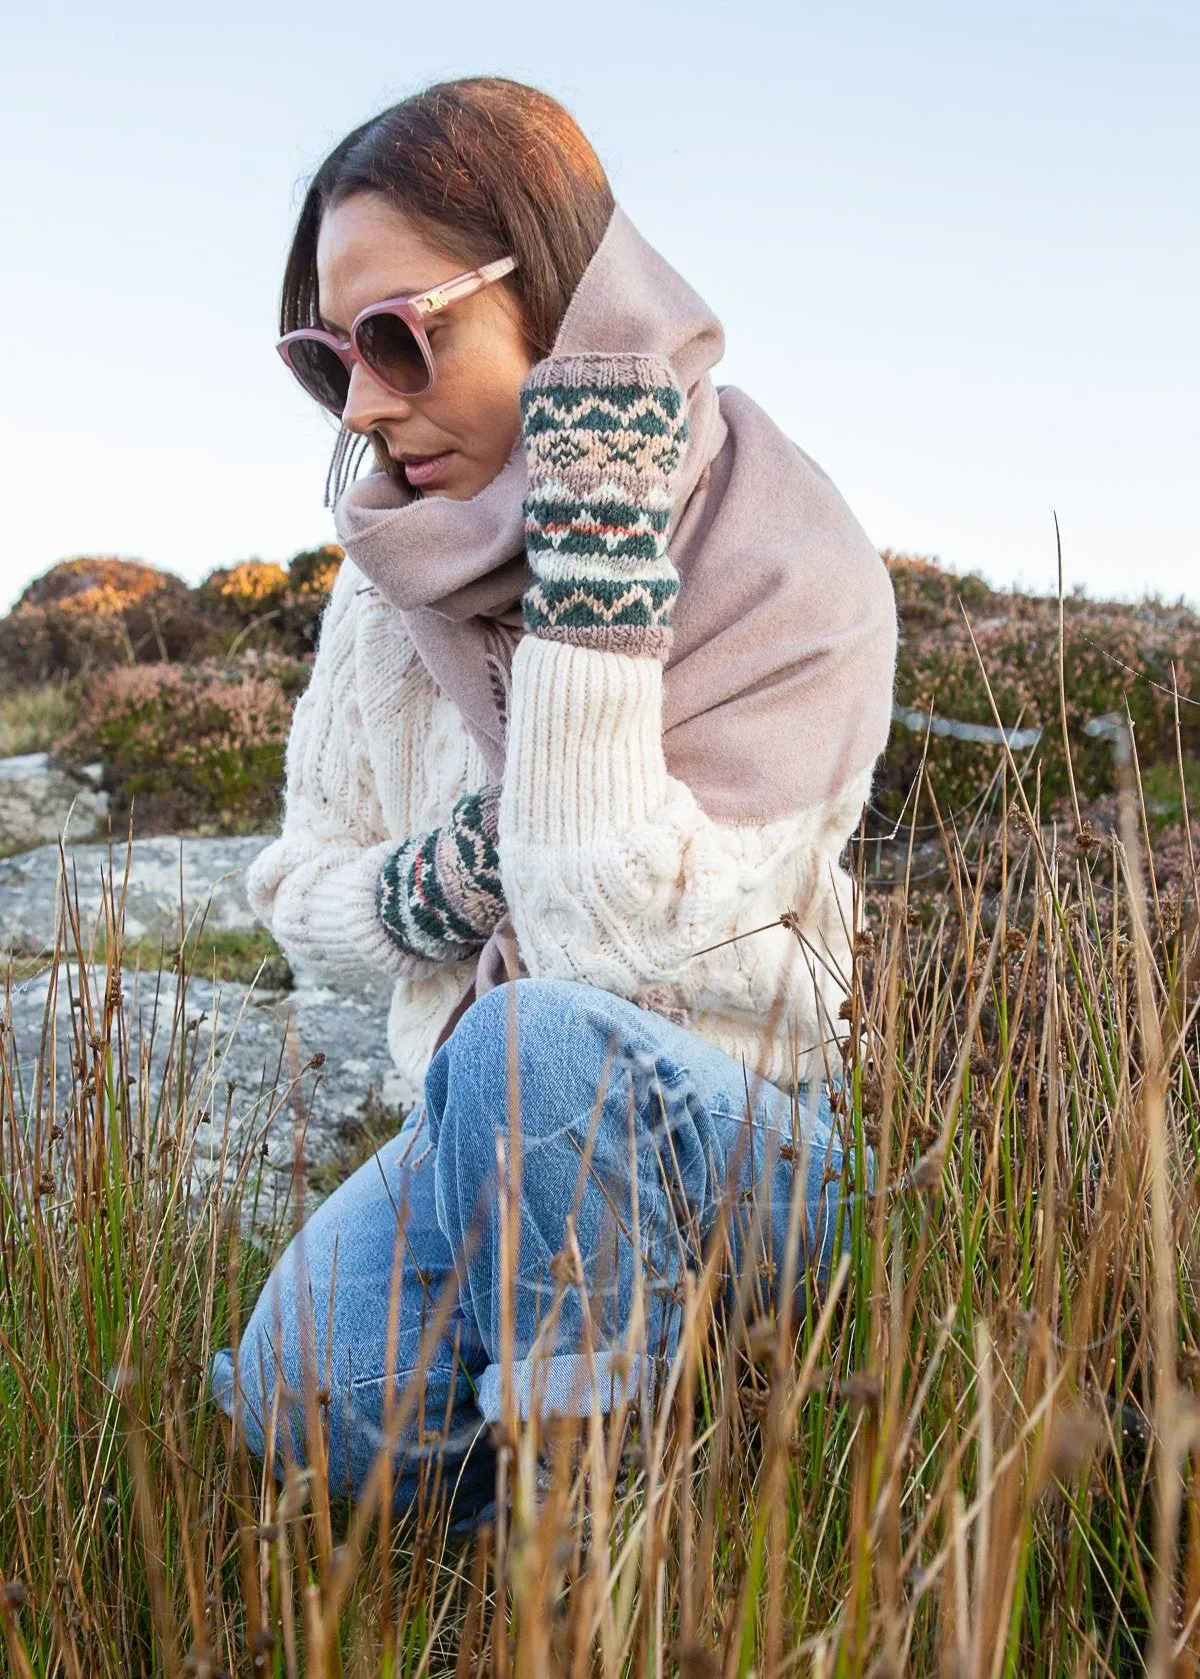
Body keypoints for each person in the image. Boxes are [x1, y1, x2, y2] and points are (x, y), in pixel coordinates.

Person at [210, 75, 897, 1524]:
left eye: (403, 335)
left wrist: (594, 596)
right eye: (330, 357)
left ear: (561, 294)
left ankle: (597, 1541)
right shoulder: (386, 583)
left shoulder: (790, 567)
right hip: (491, 1133)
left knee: (535, 1043)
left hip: (748, 1141)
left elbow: (611, 951)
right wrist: (463, 865)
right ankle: (702, 1412)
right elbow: (302, 897)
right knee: (295, 1394)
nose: (372, 406)